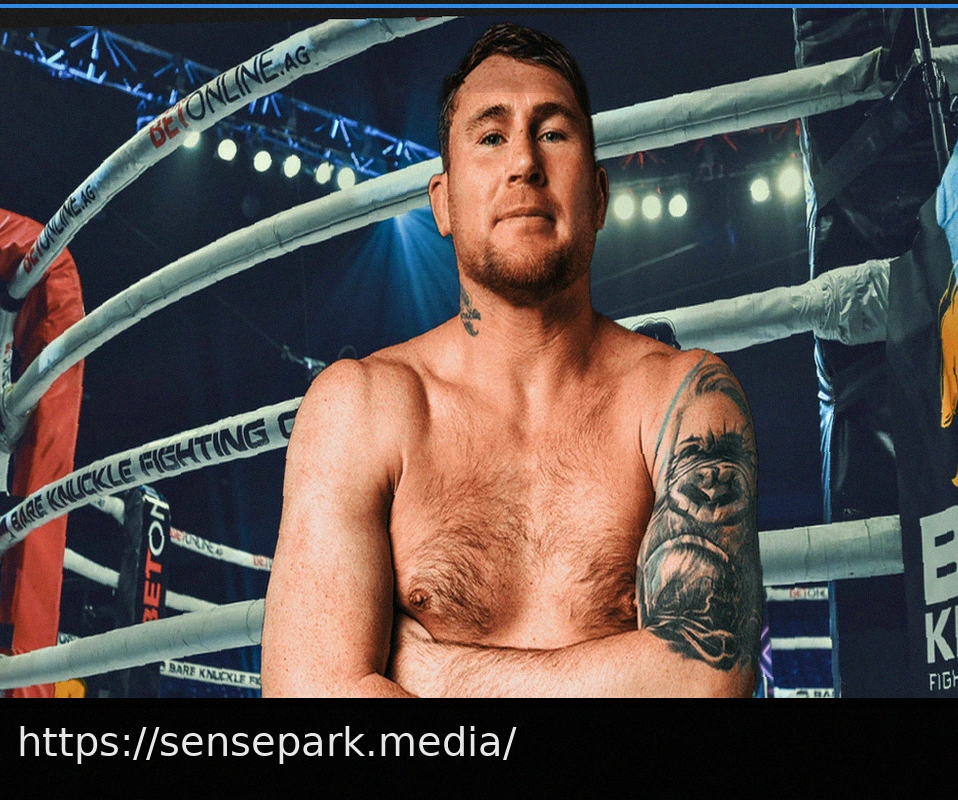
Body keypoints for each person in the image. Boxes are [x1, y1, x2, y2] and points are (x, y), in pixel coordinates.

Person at [262, 22, 762, 697]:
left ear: (599, 196)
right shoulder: (360, 408)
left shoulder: (684, 399)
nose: (524, 161)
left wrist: (436, 672)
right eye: (491, 137)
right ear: (443, 203)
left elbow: (705, 681)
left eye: (552, 133)